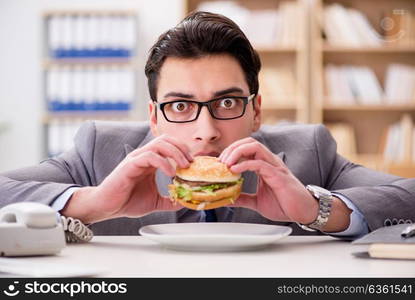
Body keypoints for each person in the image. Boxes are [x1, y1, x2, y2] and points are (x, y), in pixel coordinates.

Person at [1, 11, 414, 238]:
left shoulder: (309, 150)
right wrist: (94, 203)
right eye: (180, 106)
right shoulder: (99, 149)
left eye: (228, 102)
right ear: (154, 117)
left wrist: (317, 210)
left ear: (257, 110)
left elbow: (407, 196)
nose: (207, 131)